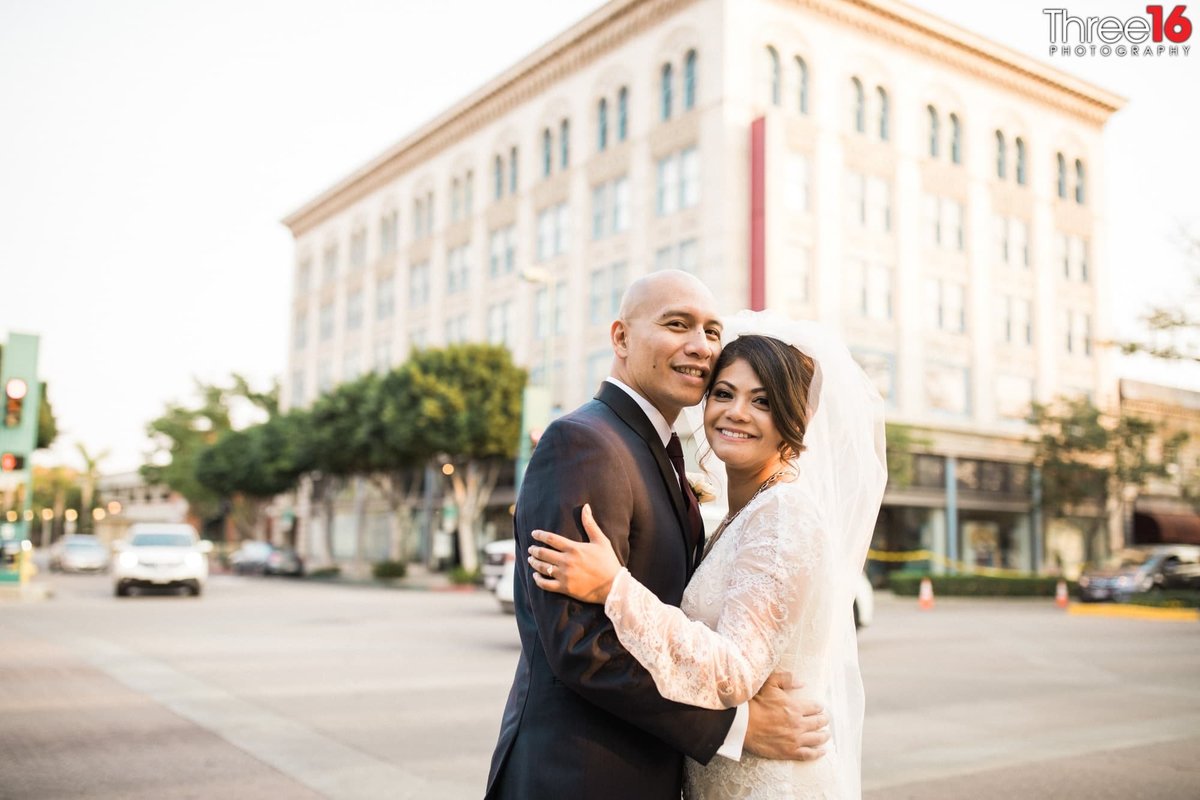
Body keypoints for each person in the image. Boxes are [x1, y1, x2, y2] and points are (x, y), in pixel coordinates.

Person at [484, 276, 832, 800]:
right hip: (582, 774)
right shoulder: (584, 442)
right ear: (621, 338)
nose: (701, 345)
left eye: (712, 331)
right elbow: (581, 644)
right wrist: (738, 728)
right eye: (677, 324)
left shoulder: (661, 454)